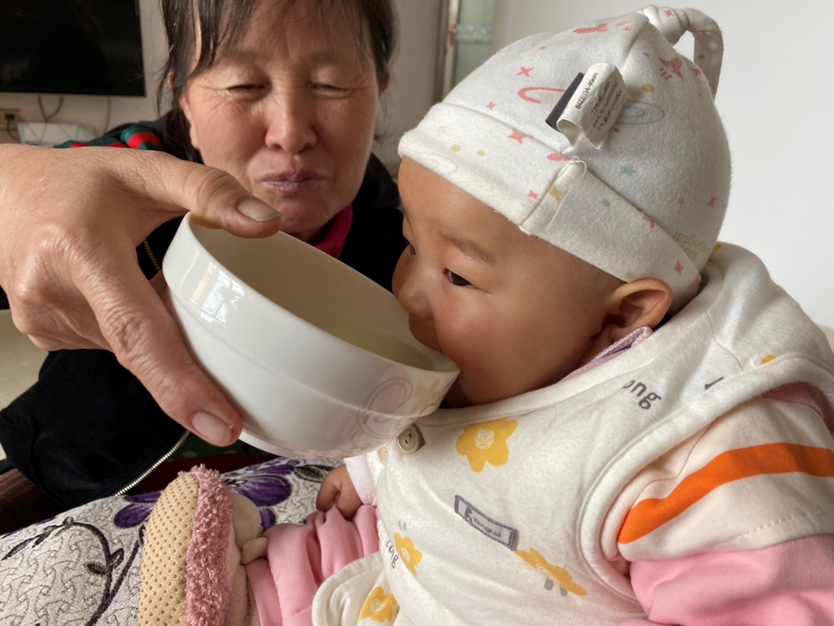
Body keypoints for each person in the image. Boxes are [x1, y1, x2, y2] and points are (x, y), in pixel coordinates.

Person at [137, 6, 834, 625]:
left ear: (621, 319)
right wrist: (375, 469)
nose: (409, 294)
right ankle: (231, 593)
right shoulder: (513, 346)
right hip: (433, 556)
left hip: (518, 593)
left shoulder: (709, 452)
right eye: (412, 245)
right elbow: (431, 425)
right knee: (363, 546)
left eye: (458, 275)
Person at [0, 0, 406, 515]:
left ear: (379, 90)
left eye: (331, 85)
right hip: (79, 490)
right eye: (244, 85)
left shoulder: (408, 231)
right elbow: (37, 203)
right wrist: (12, 188)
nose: (290, 132)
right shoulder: (123, 180)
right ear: (186, 102)